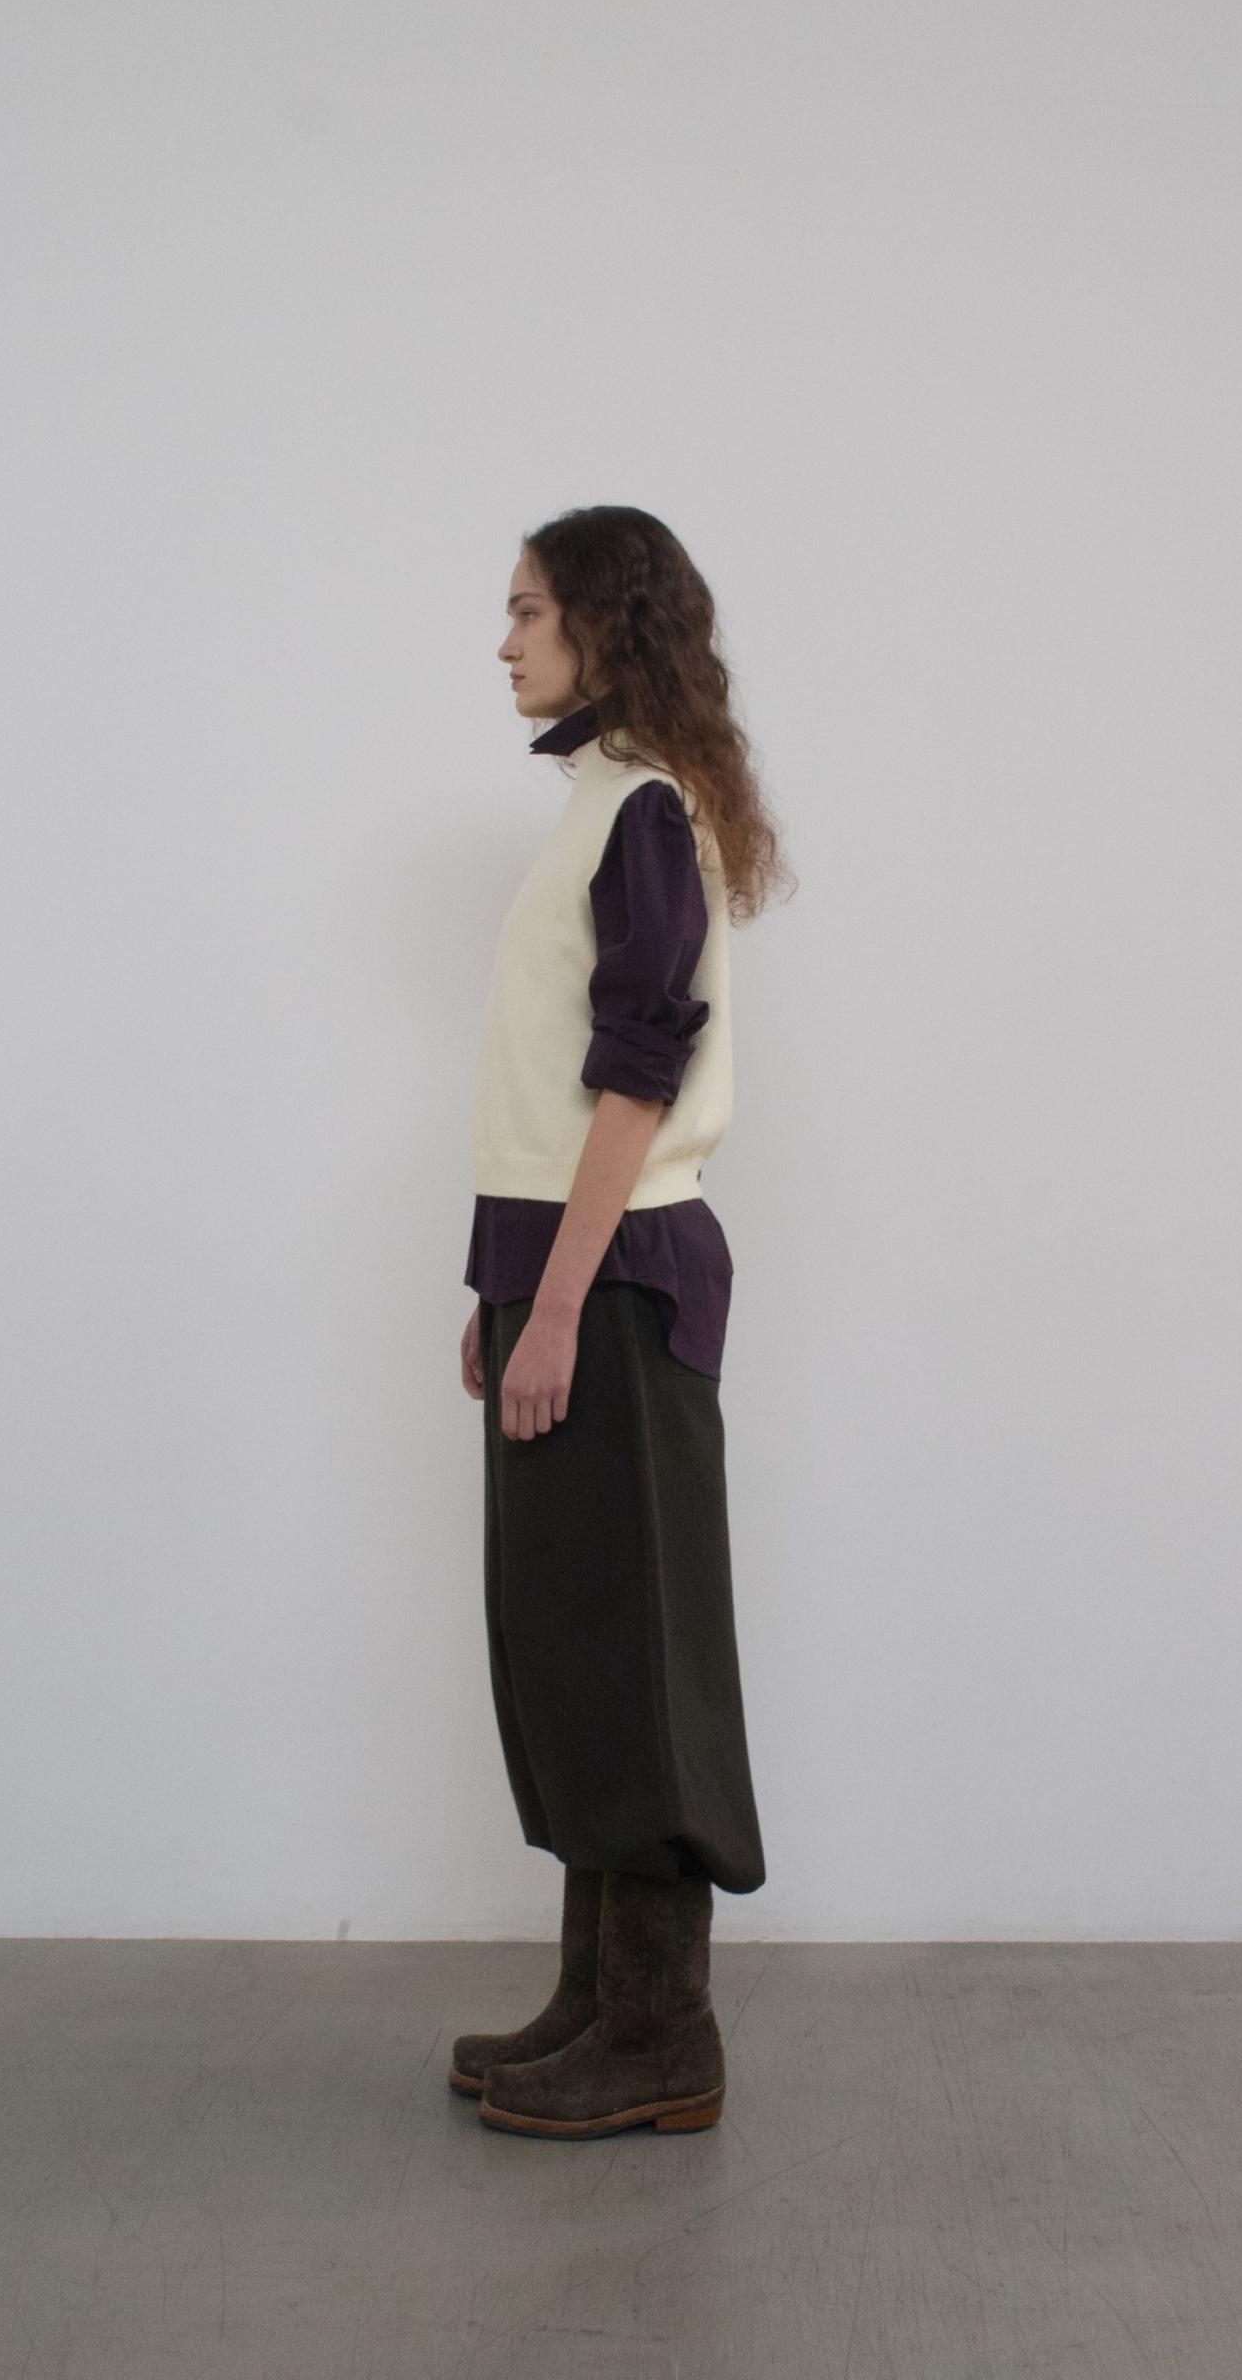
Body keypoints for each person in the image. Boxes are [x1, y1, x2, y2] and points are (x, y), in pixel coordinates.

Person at [449, 505, 793, 2140]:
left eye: (528, 610)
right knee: (576, 1642)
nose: (505, 641)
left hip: (624, 1282)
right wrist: (500, 1287)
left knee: (637, 1651)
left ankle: (663, 2032)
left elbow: (636, 1080)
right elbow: (538, 1093)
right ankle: (601, 1998)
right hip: (563, 1270)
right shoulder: (601, 802)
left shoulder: (647, 810)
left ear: (603, 620)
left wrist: (561, 1304)